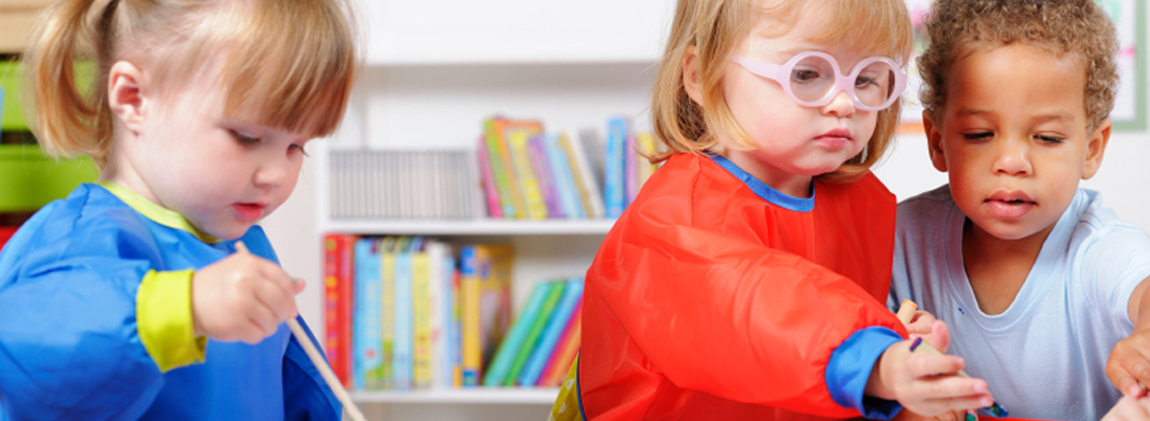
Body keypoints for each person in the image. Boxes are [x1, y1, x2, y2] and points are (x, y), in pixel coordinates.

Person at [549, 0, 999, 420]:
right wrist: (869, 355)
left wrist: (892, 335)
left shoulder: (854, 201)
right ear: (702, 77)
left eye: (865, 79)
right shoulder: (673, 220)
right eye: (806, 74)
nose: (843, 103)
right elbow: (751, 303)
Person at [0, 0, 358, 419]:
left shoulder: (242, 243)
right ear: (134, 99)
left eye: (297, 146)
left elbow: (295, 383)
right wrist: (187, 308)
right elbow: (33, 355)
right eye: (246, 137)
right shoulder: (79, 237)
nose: (277, 174)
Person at [887, 0, 1150, 419]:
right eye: (979, 134)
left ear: (1092, 148)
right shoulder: (898, 238)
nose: (1012, 162)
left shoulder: (1097, 248)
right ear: (938, 142)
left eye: (1046, 138)